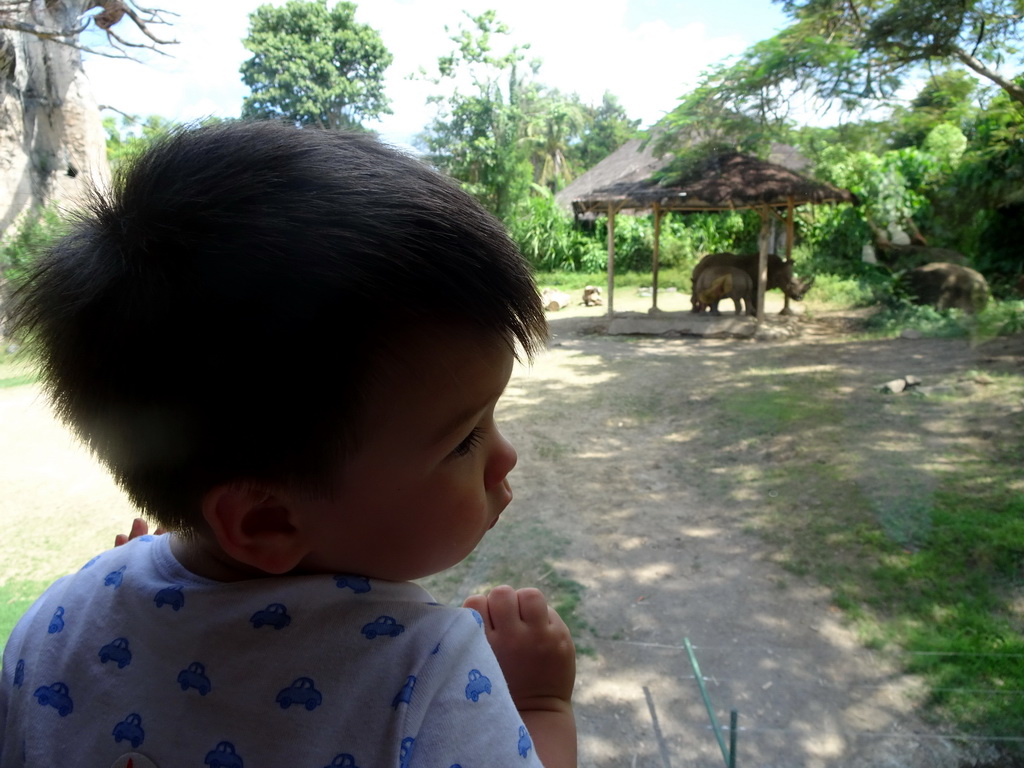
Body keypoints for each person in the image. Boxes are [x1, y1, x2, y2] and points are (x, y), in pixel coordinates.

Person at [0, 121, 576, 768]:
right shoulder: (428, 673)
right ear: (266, 520)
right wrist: (536, 708)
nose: (507, 457)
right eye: (465, 439)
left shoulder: (54, 624)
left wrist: (127, 588)